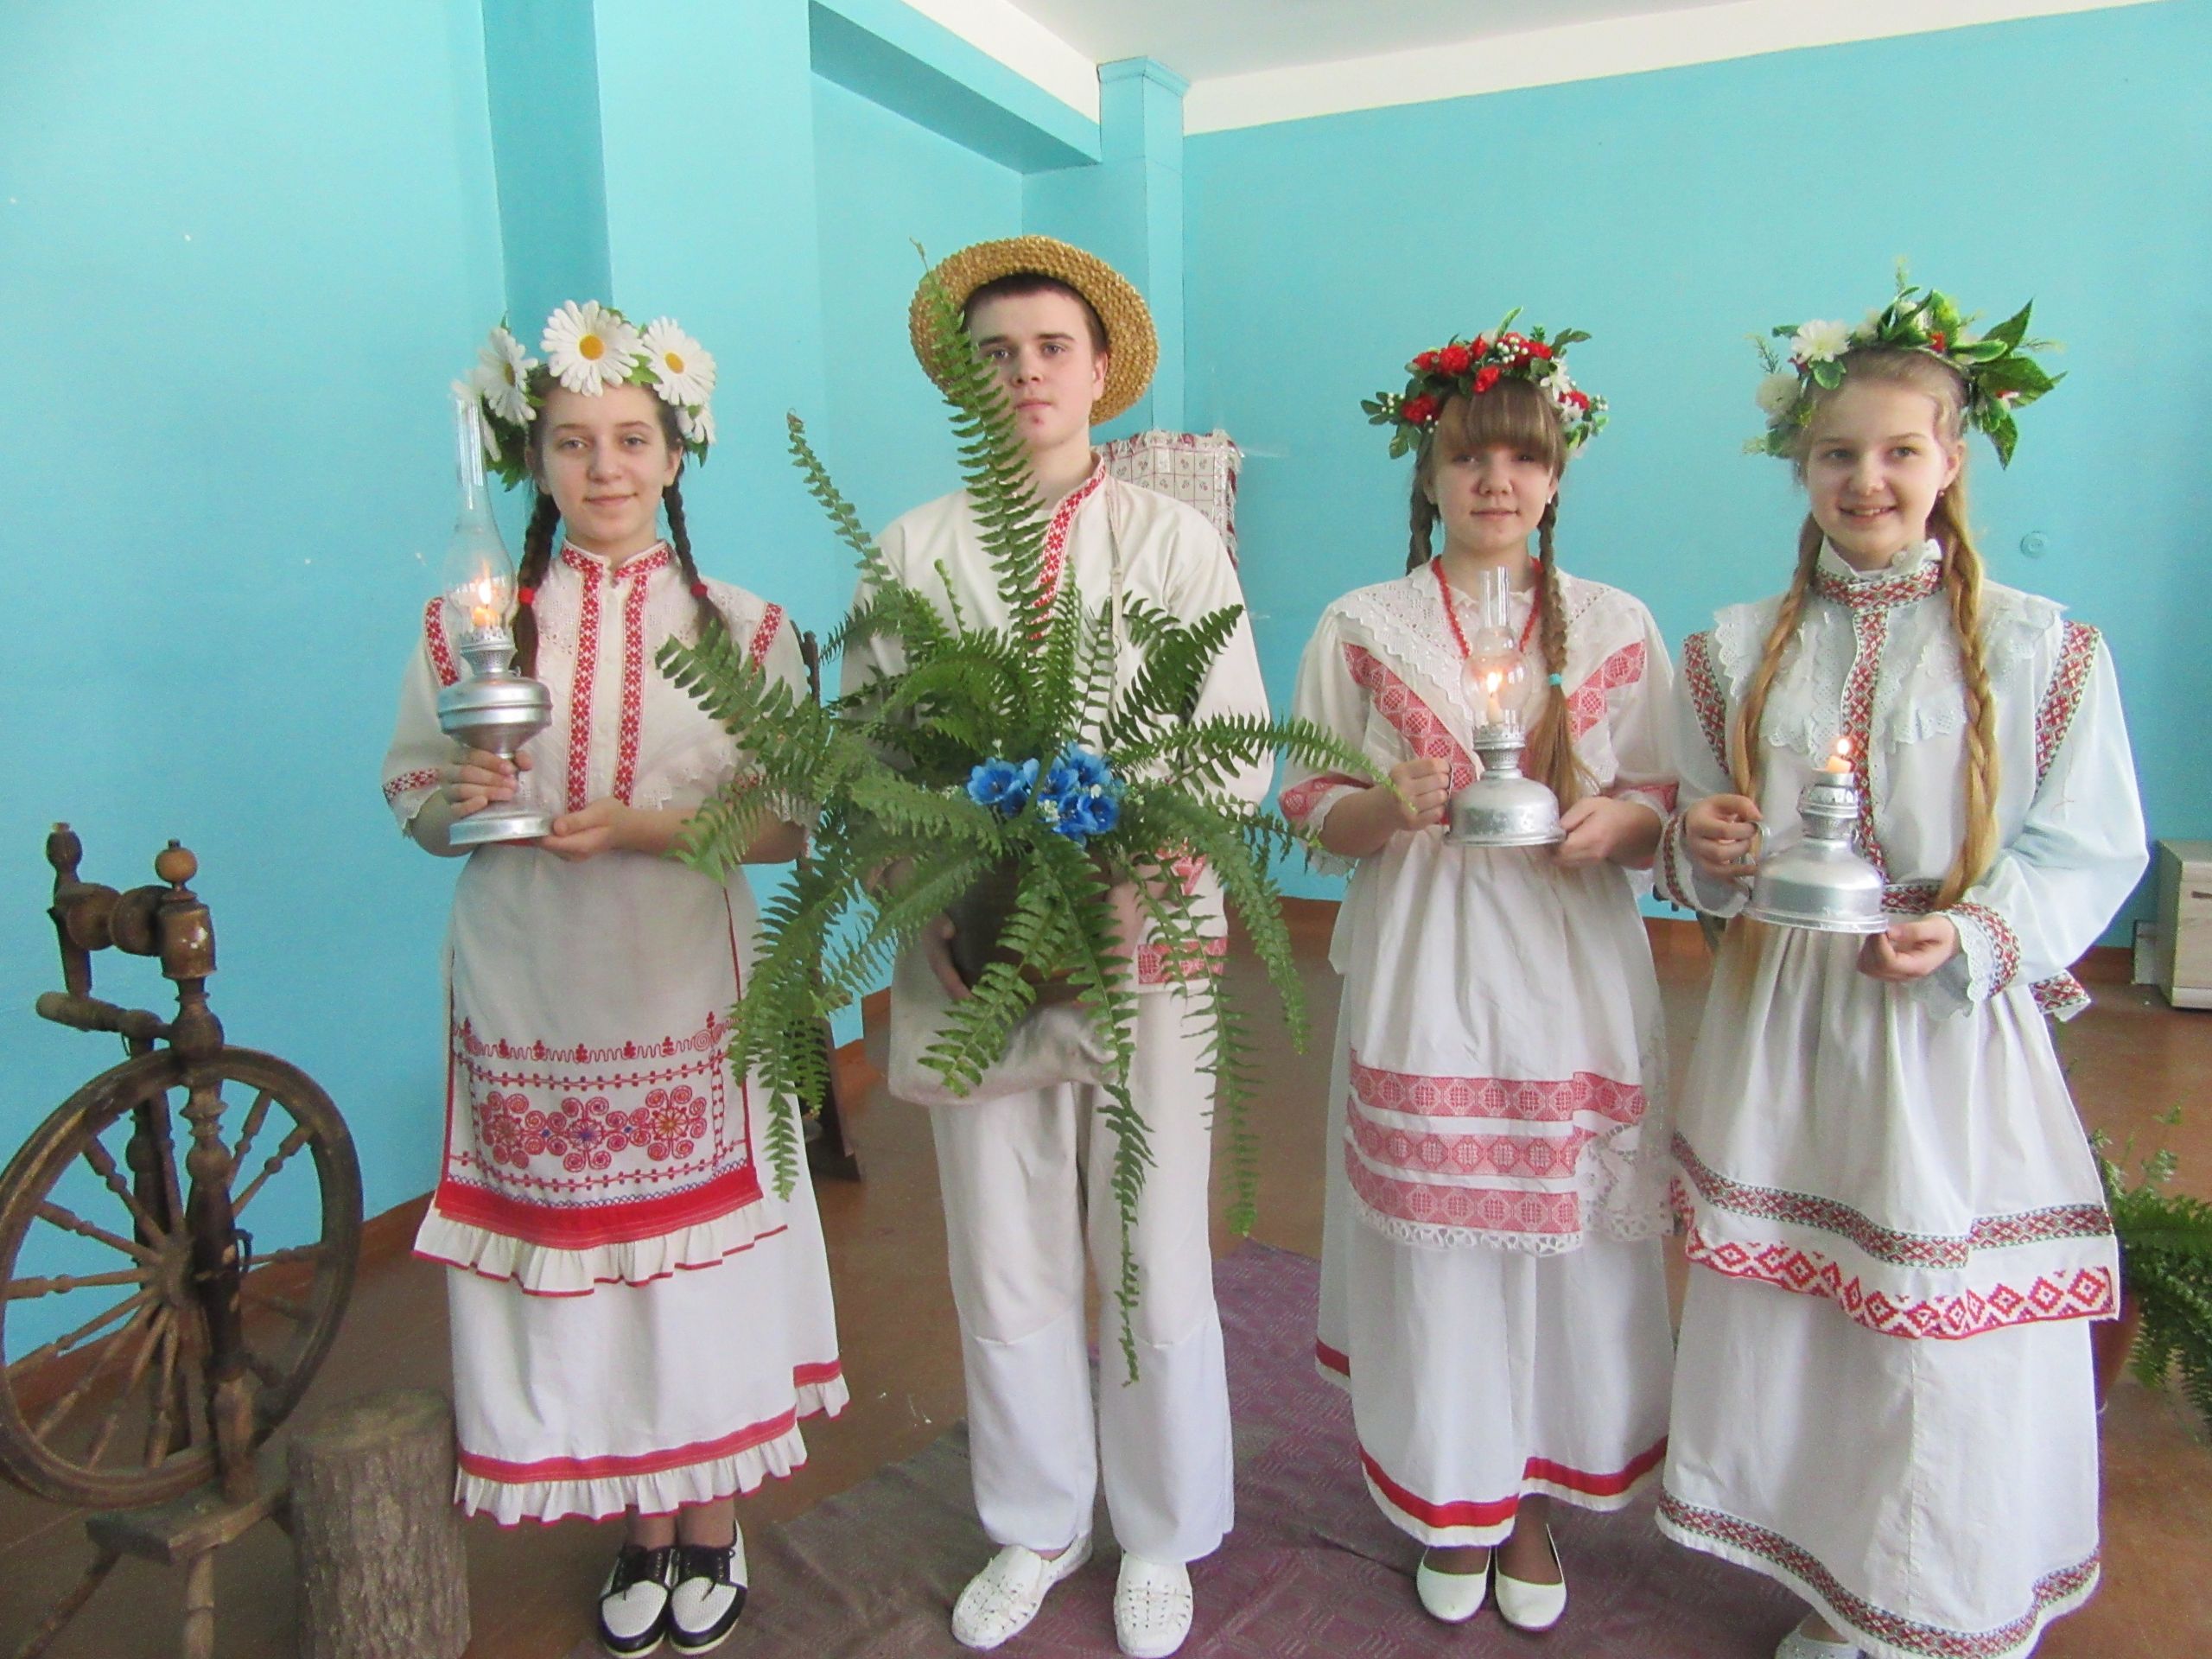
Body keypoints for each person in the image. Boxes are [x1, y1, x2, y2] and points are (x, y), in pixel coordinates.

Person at [1655, 283, 2146, 1659]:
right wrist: (1706, 845)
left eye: (1898, 451)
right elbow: (1698, 843)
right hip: (1790, 1031)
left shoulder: (2040, 649)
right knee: (1811, 1318)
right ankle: (1846, 1584)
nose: (1865, 479)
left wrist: (1977, 935)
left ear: (1952, 460)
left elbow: (2088, 843)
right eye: (1837, 453)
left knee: (1937, 1319)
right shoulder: (1734, 649)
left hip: (1944, 1028)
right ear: (1798, 465)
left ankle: (1951, 1595)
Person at [382, 302, 844, 1659]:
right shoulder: (470, 625)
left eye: (632, 438)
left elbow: (792, 825)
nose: (605, 467)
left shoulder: (749, 632)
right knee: (580, 1260)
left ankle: (710, 1519)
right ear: (533, 461)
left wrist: (647, 827)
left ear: (677, 453)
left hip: (681, 983)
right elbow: (415, 798)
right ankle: (638, 1521)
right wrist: (462, 797)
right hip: (529, 984)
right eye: (574, 442)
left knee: (695, 1261)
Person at [842, 236, 1269, 1659]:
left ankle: (1160, 1530)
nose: (1023, 374)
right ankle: (1035, 1522)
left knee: (1148, 1241)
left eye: (1048, 350)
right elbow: (867, 752)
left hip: (1142, 944)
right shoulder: (910, 552)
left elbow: (1235, 749)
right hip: (968, 956)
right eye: (995, 356)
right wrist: (918, 877)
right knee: (1002, 1247)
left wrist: (1145, 880)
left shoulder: (1172, 543)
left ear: (1099, 373)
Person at [1283, 323, 1678, 1632]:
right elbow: (1309, 803)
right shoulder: (1363, 624)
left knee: (1569, 1234)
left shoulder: (1616, 624)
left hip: (1570, 963)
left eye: (1522, 458)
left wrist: (1623, 823)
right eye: (1468, 457)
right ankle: (1452, 1494)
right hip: (1431, 960)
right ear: (1428, 470)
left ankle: (1540, 1498)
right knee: (1436, 1238)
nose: (1495, 481)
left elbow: (1667, 802)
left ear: (1559, 473)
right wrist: (1384, 806)